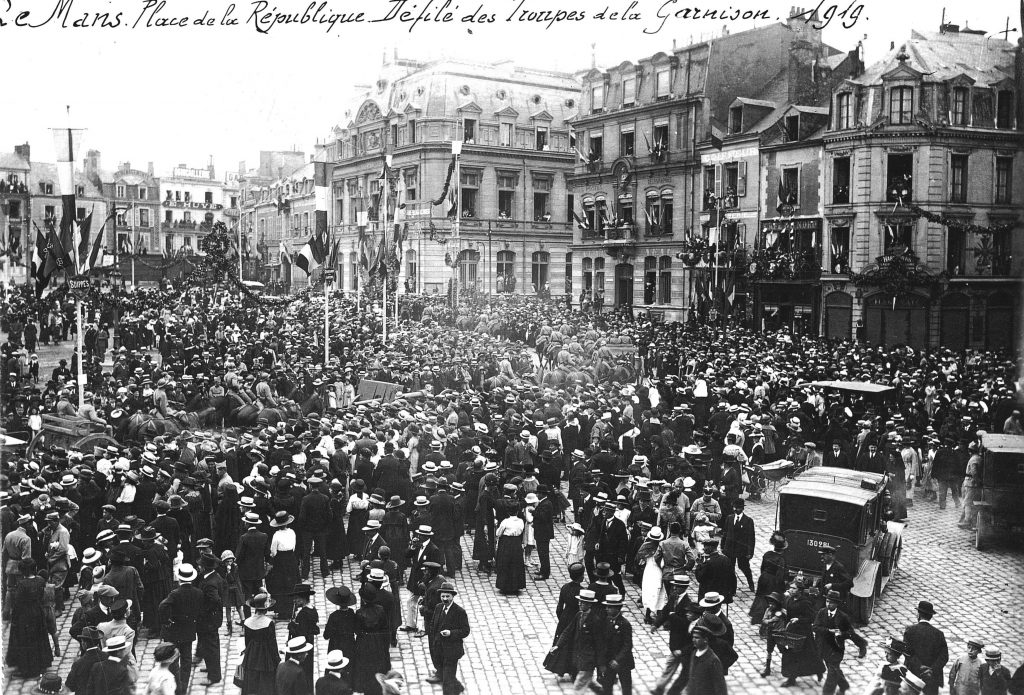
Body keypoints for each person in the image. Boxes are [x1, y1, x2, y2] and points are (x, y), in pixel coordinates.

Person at [158, 563, 204, 695]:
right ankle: (184, 686)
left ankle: (176, 686)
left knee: (173, 659)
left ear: (180, 579)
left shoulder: (174, 594)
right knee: (187, 658)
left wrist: (166, 621)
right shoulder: (198, 593)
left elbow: (162, 607)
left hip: (174, 631)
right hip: (189, 630)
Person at [550, 588, 607, 695]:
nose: (580, 603)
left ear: (590, 605)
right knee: (588, 682)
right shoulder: (578, 615)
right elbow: (568, 631)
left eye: (583, 602)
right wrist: (558, 646)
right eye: (580, 601)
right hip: (578, 658)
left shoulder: (595, 621)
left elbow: (600, 644)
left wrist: (601, 664)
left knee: (578, 687)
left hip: (589, 660)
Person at [5, 558, 54, 678]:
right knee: (39, 638)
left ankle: (28, 668)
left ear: (22, 571)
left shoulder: (22, 584)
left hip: (25, 616)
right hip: (38, 612)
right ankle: (42, 663)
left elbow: (18, 603)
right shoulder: (40, 581)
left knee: (26, 640)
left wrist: (14, 618)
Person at [813, 590, 868, 695]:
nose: (829, 604)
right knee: (833, 668)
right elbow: (815, 627)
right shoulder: (821, 612)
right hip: (823, 647)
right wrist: (828, 631)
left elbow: (850, 632)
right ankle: (844, 685)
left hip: (836, 649)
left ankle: (827, 693)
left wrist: (841, 634)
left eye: (831, 602)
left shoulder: (843, 617)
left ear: (837, 604)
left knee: (832, 673)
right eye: (827, 601)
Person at [428, 581, 470, 695]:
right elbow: (433, 624)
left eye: (448, 596)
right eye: (443, 596)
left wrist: (451, 633)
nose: (445, 599)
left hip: (452, 650)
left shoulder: (459, 612)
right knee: (446, 674)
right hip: (439, 649)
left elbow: (465, 631)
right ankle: (458, 688)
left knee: (447, 680)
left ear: (453, 596)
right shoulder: (438, 607)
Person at [903, 600, 949, 695]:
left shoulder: (910, 631)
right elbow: (944, 656)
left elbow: (907, 652)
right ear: (931, 616)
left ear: (918, 614)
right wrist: (931, 670)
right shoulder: (939, 634)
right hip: (931, 678)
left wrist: (919, 666)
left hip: (913, 675)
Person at [241, 593, 280, 695]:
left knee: (251, 679)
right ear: (266, 609)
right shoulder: (268, 623)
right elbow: (272, 643)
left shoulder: (247, 622)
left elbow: (247, 641)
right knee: (266, 682)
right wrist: (276, 659)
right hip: (265, 656)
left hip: (252, 654)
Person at [195, 554, 226, 686]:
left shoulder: (210, 583)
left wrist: (203, 611)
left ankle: (214, 676)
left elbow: (215, 600)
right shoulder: (213, 577)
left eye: (200, 565)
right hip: (211, 619)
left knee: (211, 646)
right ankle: (210, 667)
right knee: (210, 645)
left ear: (204, 567)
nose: (198, 567)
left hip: (208, 620)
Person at [598, 594, 634, 695]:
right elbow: (603, 642)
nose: (606, 609)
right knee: (607, 686)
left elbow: (628, 645)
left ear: (617, 608)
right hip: (609, 661)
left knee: (626, 688)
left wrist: (617, 660)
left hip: (623, 662)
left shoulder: (625, 624)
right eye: (606, 606)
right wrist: (602, 662)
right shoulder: (606, 621)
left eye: (609, 607)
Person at [288, 583, 321, 691]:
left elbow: (301, 633)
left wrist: (292, 626)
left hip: (302, 646)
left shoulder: (303, 614)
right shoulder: (312, 609)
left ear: (303, 599)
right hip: (309, 642)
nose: (294, 601)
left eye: (296, 599)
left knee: (302, 669)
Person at [266, 510, 299, 617]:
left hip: (280, 561)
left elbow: (273, 551)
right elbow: (293, 547)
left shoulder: (276, 535)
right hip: (291, 559)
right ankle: (291, 608)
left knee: (280, 585)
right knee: (291, 584)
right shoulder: (292, 532)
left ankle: (282, 609)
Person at [720, 498, 755, 593]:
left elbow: (751, 538)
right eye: (734, 507)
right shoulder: (729, 518)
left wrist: (750, 552)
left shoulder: (748, 521)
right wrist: (722, 546)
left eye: (738, 508)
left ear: (742, 509)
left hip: (742, 550)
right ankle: (732, 589)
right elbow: (725, 533)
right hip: (729, 548)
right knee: (730, 569)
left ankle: (751, 583)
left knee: (744, 567)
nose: (736, 509)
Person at [494, 503, 526, 595]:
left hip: (506, 542)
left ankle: (505, 585)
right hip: (516, 542)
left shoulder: (505, 521)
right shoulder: (520, 521)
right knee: (516, 563)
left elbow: (498, 533)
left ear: (508, 512)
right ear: (517, 511)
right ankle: (516, 585)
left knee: (505, 563)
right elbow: (521, 530)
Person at [686, 624, 727, 695]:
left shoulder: (713, 660)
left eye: (697, 638)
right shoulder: (694, 653)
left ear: (705, 640)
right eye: (693, 637)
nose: (693, 640)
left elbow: (720, 687)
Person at [694, 538, 736, 604]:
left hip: (709, 594)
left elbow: (700, 578)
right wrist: (733, 591)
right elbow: (732, 577)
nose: (704, 549)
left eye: (705, 546)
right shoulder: (725, 559)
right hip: (723, 593)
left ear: (710, 548)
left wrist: (699, 565)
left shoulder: (708, 562)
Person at [324, 585, 359, 658]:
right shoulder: (352, 614)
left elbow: (326, 635)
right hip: (350, 647)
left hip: (335, 647)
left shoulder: (333, 616)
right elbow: (356, 630)